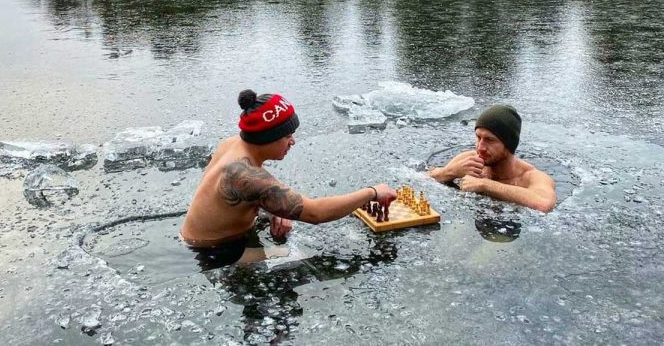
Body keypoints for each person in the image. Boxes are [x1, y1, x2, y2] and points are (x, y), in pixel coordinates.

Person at [180, 89, 397, 269]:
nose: (292, 141)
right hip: (214, 253)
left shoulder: (232, 144)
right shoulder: (245, 175)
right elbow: (315, 213)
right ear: (267, 138)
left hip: (206, 237)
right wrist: (372, 192)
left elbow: (244, 196)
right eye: (287, 135)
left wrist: (273, 208)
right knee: (299, 258)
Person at [427, 104, 556, 212]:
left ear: (508, 144)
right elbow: (427, 178)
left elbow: (543, 204)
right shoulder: (469, 160)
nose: (480, 147)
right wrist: (450, 171)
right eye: (478, 137)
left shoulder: (531, 177)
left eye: (489, 140)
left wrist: (485, 184)